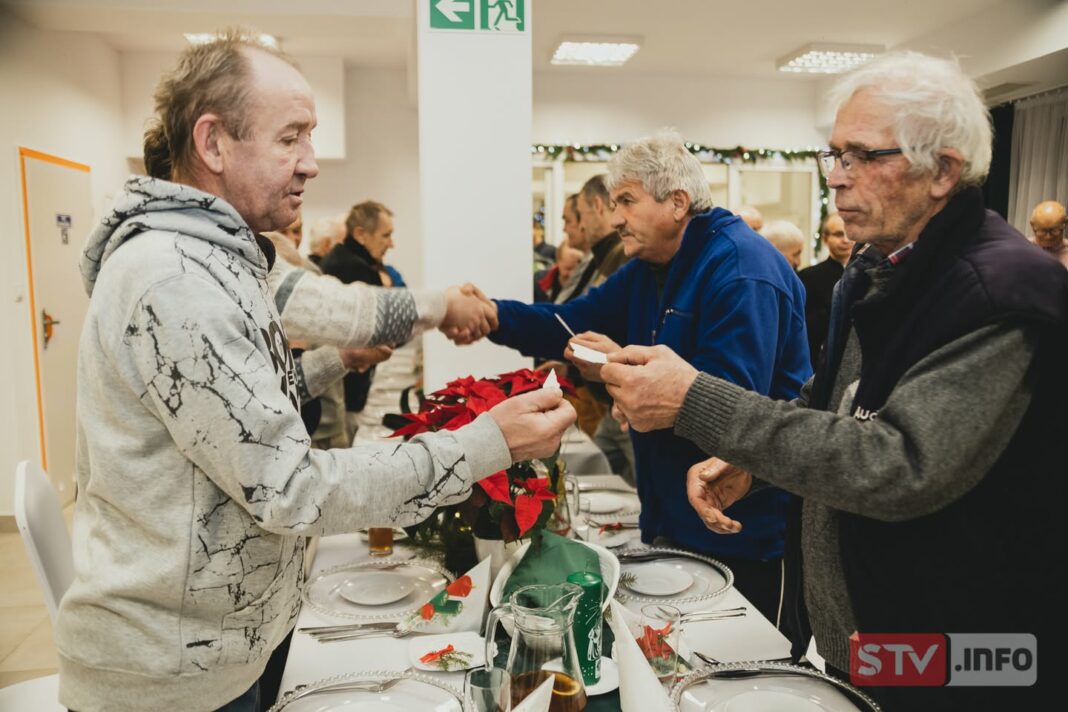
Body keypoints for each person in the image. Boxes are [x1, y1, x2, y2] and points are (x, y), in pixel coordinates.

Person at [57, 32, 575, 712]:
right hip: (171, 681)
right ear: (213, 144)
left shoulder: (221, 252)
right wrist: (487, 442)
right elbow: (292, 488)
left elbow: (323, 309)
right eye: (291, 138)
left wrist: (438, 305)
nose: (311, 164)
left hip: (225, 648)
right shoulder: (174, 279)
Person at [601, 52, 1067, 711]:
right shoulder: (880, 266)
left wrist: (696, 401)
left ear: (942, 172)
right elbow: (837, 405)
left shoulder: (1001, 292)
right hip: (878, 633)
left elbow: (897, 465)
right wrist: (752, 464)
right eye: (834, 156)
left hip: (967, 645)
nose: (838, 180)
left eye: (862, 157)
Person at [486, 130, 811, 627]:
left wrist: (623, 373)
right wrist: (489, 316)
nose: (615, 217)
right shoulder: (650, 264)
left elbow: (729, 406)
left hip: (742, 528)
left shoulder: (741, 268)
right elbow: (568, 323)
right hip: (668, 515)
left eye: (626, 201)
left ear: (677, 202)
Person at [798, 213, 854, 369]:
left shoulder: (867, 273)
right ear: (825, 239)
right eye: (838, 234)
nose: (845, 240)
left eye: (848, 233)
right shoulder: (808, 276)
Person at [1029, 199, 1068, 268]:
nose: (1048, 237)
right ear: (1033, 226)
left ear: (1064, 224)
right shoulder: (1024, 247)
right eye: (1043, 231)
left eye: (1054, 231)